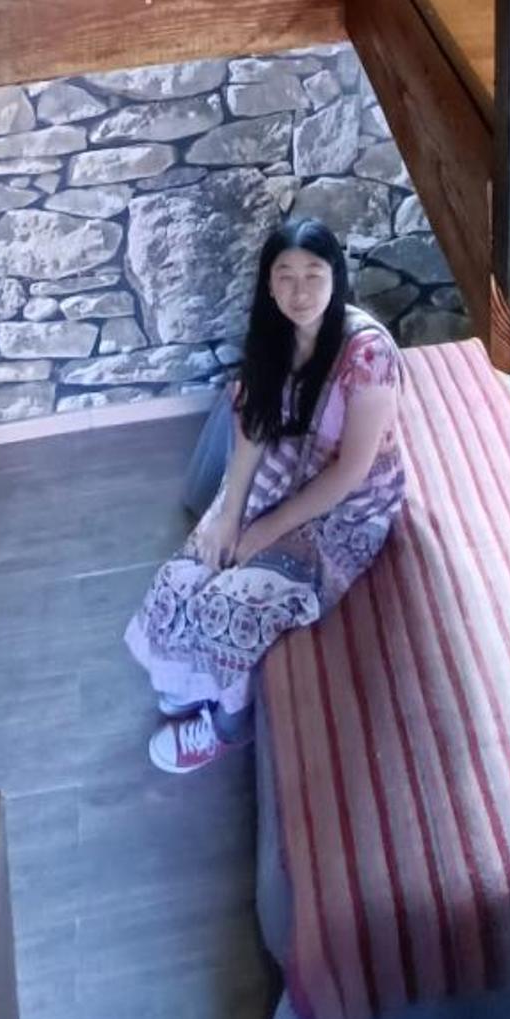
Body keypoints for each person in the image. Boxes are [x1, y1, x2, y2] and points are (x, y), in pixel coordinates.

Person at [124, 218, 405, 774]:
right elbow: (253, 427)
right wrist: (229, 516)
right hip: (285, 467)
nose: (300, 292)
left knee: (233, 602)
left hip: (348, 505)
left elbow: (351, 472)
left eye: (314, 275)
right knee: (188, 571)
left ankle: (228, 728)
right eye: (286, 276)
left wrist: (265, 531)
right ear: (269, 285)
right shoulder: (273, 333)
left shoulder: (367, 353)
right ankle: (192, 680)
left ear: (336, 277)